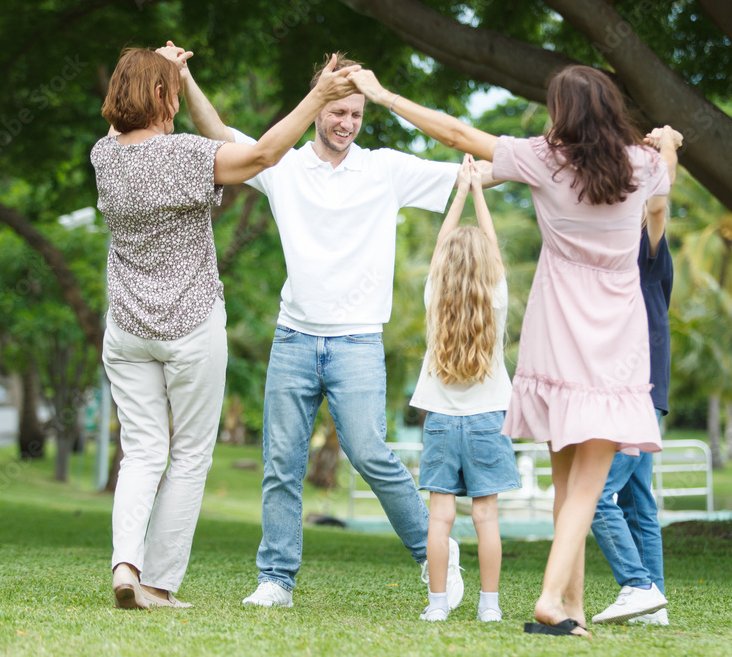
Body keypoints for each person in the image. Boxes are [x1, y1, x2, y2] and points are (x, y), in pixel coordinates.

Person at [348, 65, 681, 637]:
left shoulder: (544, 159)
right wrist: (668, 141)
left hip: (556, 331)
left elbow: (456, 133)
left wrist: (384, 95)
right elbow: (665, 182)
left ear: (563, 113)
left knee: (566, 482)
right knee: (589, 485)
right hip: (616, 339)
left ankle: (572, 606)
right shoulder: (643, 165)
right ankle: (552, 598)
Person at [158, 44, 472, 609]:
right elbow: (217, 135)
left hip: (357, 341)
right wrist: (184, 77)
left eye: (355, 114)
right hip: (294, 338)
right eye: (337, 111)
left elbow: (475, 174)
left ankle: (436, 555)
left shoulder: (386, 169)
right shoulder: (284, 164)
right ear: (319, 105)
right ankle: (276, 579)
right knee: (281, 463)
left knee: (370, 453)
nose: (347, 123)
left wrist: (550, 163)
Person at [93, 46, 359, 610]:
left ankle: (125, 565)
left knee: (141, 452)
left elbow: (127, 121)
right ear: (161, 97)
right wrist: (319, 95)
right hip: (189, 327)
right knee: (189, 455)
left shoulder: (104, 156)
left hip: (127, 327)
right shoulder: (186, 155)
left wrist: (168, 72)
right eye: (169, 93)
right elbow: (263, 154)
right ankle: (157, 585)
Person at [410, 155, 522, 623]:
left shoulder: (435, 297)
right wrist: (478, 191)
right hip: (487, 421)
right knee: (485, 519)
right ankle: (489, 606)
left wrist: (459, 190)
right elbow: (491, 248)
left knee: (439, 520)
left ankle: (437, 605)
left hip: (440, 421)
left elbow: (441, 248)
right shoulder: (495, 301)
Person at [590, 166, 677, 627]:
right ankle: (653, 601)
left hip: (638, 392)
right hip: (631, 390)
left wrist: (666, 150)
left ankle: (638, 584)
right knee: (637, 498)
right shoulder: (618, 257)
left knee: (596, 493)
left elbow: (658, 204)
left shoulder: (648, 250)